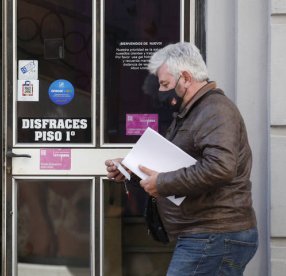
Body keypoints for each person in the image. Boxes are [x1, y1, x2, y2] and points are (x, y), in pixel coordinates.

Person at [105, 42, 258, 275]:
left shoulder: (215, 110)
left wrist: (162, 183)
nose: (162, 91)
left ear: (185, 77)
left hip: (214, 234)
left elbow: (220, 167)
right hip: (208, 234)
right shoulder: (193, 112)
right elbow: (175, 166)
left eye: (165, 84)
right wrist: (131, 170)